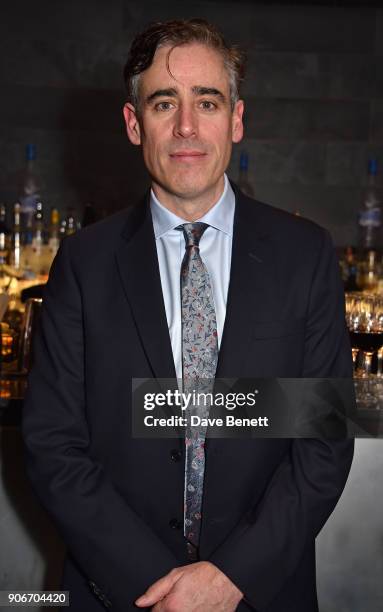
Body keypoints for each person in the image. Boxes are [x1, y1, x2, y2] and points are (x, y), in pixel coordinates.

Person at [22, 18, 354, 612]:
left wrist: (228, 579)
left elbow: (321, 444)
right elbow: (54, 445)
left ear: (237, 119)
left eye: (207, 101)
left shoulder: (303, 257)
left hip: (259, 595)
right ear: (133, 123)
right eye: (163, 103)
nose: (186, 127)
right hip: (118, 596)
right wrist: (161, 588)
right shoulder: (83, 264)